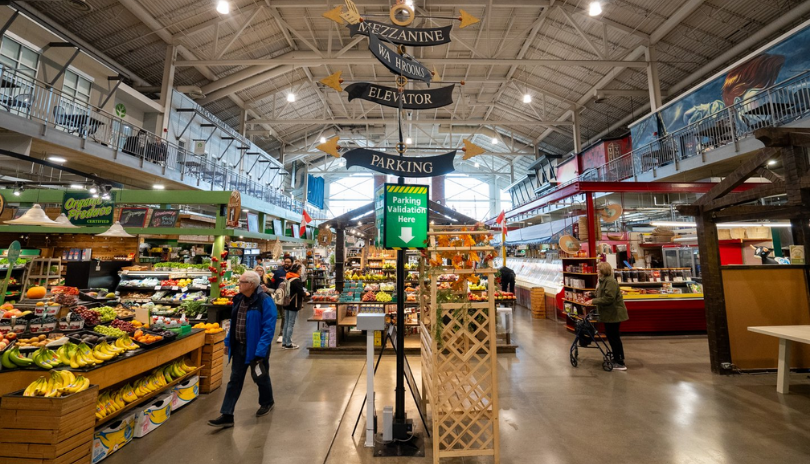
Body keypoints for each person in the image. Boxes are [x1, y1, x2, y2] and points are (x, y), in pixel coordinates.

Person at [208, 271, 278, 428]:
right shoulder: (239, 299)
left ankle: (267, 402)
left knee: (260, 377)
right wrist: (228, 342)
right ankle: (227, 414)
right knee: (234, 380)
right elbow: (234, 323)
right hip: (239, 347)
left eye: (241, 282)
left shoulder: (264, 301)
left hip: (256, 348)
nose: (238, 284)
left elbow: (268, 329)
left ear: (251, 285)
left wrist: (260, 351)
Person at [585, 262, 629, 371]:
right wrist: (591, 294)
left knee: (614, 337)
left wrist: (593, 301)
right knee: (611, 337)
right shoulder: (603, 281)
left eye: (598, 269)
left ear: (603, 270)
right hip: (609, 314)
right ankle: (616, 358)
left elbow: (609, 298)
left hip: (614, 314)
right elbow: (602, 294)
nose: (596, 271)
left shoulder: (610, 281)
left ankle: (620, 362)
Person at [281, 263, 309, 350]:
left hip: (286, 302)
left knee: (286, 323)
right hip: (294, 303)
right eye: (300, 270)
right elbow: (301, 292)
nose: (301, 272)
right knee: (291, 323)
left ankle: (284, 342)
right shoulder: (296, 280)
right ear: (297, 270)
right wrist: (306, 293)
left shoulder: (287, 278)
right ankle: (288, 343)